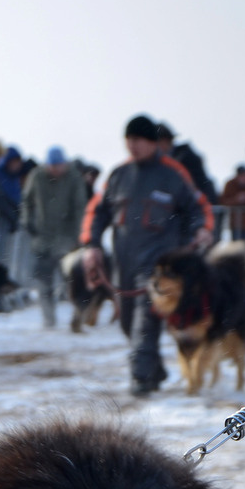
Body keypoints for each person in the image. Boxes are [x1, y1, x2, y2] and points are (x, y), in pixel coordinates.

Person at [81, 114, 211, 395]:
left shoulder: (174, 174)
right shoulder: (118, 175)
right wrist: (91, 244)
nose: (132, 146)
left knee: (145, 320)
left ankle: (140, 379)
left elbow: (198, 207)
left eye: (138, 140)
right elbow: (97, 211)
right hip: (123, 262)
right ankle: (154, 369)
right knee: (128, 323)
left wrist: (201, 229)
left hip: (158, 264)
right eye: (128, 140)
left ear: (153, 143)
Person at [20, 147, 87, 327]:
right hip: (43, 238)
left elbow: (80, 207)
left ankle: (78, 316)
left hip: (66, 238)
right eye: (52, 166)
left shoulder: (74, 178)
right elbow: (27, 201)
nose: (56, 170)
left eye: (59, 166)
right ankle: (48, 319)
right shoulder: (37, 176)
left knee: (72, 281)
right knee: (43, 281)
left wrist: (76, 234)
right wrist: (27, 221)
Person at [156, 123, 218, 204]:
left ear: (165, 141)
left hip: (197, 204)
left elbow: (195, 186)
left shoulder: (185, 158)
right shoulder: (170, 158)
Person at [220, 164, 245, 239]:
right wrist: (237, 199)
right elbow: (223, 201)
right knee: (237, 246)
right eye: (242, 176)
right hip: (236, 224)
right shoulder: (230, 184)